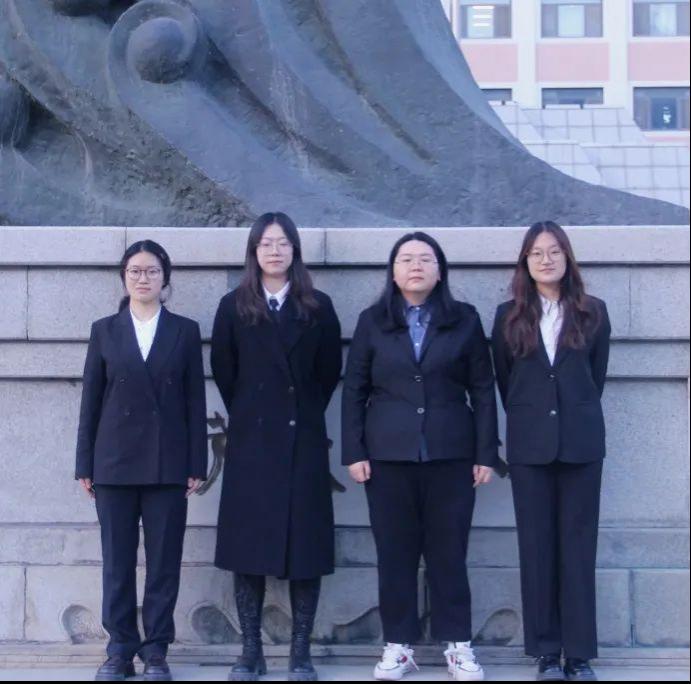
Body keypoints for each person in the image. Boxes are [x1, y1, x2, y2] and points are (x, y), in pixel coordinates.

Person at [342, 232, 498, 682]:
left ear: (440, 270)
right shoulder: (373, 321)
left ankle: (458, 644)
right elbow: (354, 390)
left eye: (425, 259)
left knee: (449, 552)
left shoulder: (464, 319)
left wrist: (486, 452)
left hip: (451, 455)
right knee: (395, 554)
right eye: (406, 259)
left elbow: (483, 390)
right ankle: (398, 644)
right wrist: (354, 451)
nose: (416, 266)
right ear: (392, 271)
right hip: (387, 458)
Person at [211, 212, 342, 682]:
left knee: (306, 549)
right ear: (253, 251)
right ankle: (251, 651)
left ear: (295, 250)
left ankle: (300, 653)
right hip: (252, 443)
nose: (274, 250)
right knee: (247, 550)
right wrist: (255, 412)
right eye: (265, 243)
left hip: (303, 441)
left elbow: (327, 373)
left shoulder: (319, 307)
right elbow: (225, 372)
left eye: (283, 242)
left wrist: (299, 412)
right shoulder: (233, 306)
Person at [76, 240, 207, 682]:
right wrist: (84, 464)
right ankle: (119, 651)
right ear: (124, 277)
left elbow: (195, 401)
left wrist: (196, 462)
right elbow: (91, 401)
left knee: (163, 563)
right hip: (113, 463)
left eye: (151, 271)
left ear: (165, 278)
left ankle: (156, 652)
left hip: (168, 464)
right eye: (135, 270)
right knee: (117, 563)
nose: (143, 278)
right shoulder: (104, 330)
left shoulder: (184, 331)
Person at [491, 221, 611, 682]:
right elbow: (507, 381)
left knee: (578, 549)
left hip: (581, 445)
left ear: (567, 257)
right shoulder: (507, 316)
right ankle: (545, 653)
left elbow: (595, 377)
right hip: (530, 447)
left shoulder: (593, 311)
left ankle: (578, 655)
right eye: (537, 252)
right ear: (525, 261)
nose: (546, 259)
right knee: (537, 548)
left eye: (555, 251)